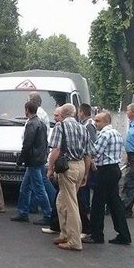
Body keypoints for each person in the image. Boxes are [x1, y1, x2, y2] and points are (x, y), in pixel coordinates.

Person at [83, 111, 131, 245]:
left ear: (106, 121)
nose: (95, 123)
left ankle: (96, 235)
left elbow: (94, 151)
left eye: (98, 121)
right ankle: (124, 234)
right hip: (114, 168)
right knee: (115, 203)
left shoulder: (104, 134)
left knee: (98, 203)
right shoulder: (116, 133)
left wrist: (85, 147)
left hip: (105, 171)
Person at [47, 104, 88, 251]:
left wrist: (50, 168)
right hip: (80, 165)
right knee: (61, 201)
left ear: (63, 114)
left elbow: (56, 149)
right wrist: (86, 173)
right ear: (74, 113)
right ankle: (65, 233)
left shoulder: (60, 126)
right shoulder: (83, 128)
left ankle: (75, 241)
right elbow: (88, 153)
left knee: (70, 205)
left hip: (67, 167)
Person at [11, 101, 52, 225]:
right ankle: (23, 212)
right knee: (25, 187)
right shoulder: (41, 123)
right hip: (39, 159)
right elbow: (45, 143)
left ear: (27, 110)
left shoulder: (31, 124)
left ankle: (48, 214)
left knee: (38, 188)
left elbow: (27, 144)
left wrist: (19, 161)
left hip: (33, 160)